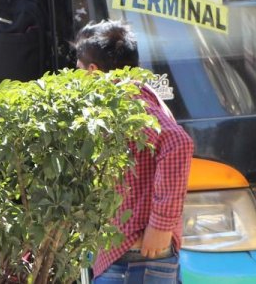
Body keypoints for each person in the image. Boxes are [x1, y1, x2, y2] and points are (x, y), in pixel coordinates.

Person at [73, 20, 193, 284]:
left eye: (78, 69)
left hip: (134, 261)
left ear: (93, 71)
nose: (75, 76)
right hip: (135, 260)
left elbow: (178, 143)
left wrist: (161, 226)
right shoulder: (136, 94)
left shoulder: (127, 100)